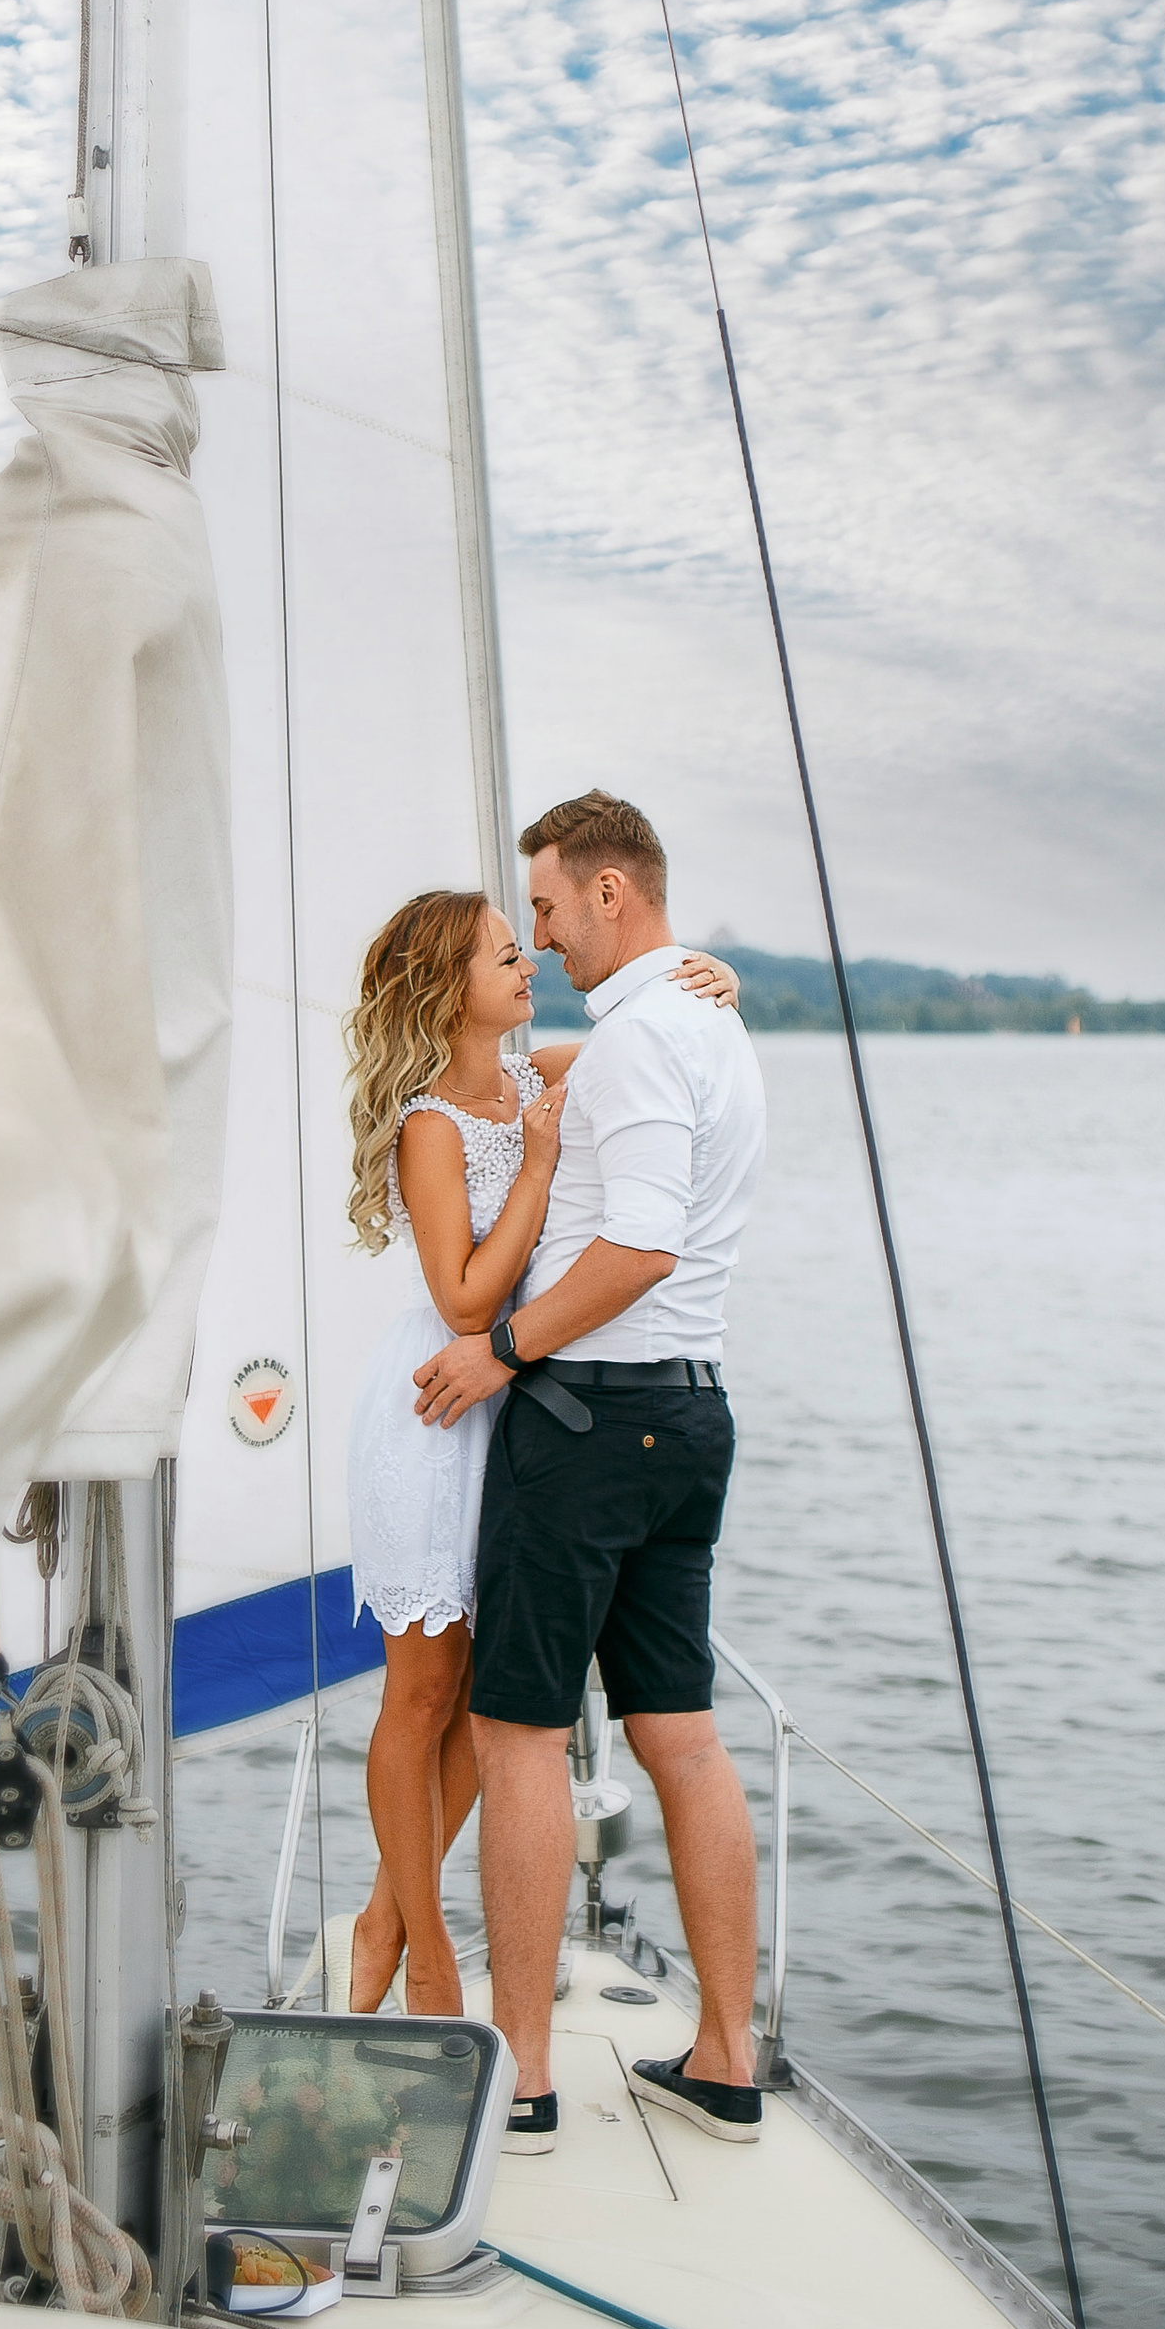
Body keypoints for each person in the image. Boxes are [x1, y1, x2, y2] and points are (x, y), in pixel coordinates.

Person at [414, 790, 767, 2155]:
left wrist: (500, 1350)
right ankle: (728, 2061)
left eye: (552, 908)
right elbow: (578, 1075)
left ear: (611, 894)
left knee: (517, 1740)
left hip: (585, 1426)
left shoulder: (639, 1045)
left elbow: (638, 1249)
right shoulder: (710, 1027)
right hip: (687, 1421)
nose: (547, 936)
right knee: (678, 1734)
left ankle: (528, 2077)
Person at [341, 889, 739, 2019]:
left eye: (527, 949)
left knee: (490, 1696)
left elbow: (633, 1044)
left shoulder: (533, 1077)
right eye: (504, 957)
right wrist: (533, 1168)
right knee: (420, 1697)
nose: (528, 967)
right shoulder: (429, 1124)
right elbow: (464, 1296)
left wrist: (706, 974)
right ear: (447, 987)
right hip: (436, 1406)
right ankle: (420, 1955)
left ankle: (385, 1911)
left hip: (514, 1407)